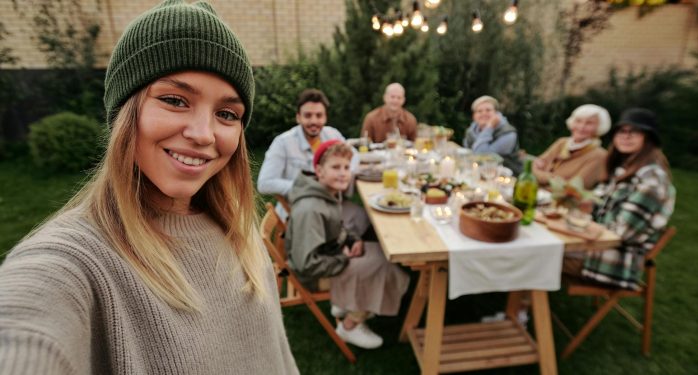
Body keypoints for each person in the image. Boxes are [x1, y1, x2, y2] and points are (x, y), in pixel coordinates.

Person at [0, 1, 298, 373]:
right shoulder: (78, 261)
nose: (204, 134)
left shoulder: (240, 232)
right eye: (175, 100)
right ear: (126, 111)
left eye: (226, 114)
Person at [285, 140, 409, 350]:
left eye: (346, 167)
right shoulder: (310, 209)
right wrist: (344, 258)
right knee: (385, 266)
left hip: (330, 254)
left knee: (382, 253)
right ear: (319, 170)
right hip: (314, 275)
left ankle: (346, 303)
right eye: (335, 167)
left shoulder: (326, 193)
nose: (343, 173)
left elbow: (336, 226)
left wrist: (353, 240)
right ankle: (351, 324)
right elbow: (307, 265)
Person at [563, 108, 675, 290]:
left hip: (611, 261)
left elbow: (622, 233)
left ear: (649, 139)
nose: (626, 136)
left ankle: (519, 312)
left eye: (635, 132)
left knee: (539, 253)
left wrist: (582, 224)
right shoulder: (622, 169)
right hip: (594, 246)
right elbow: (594, 206)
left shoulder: (652, 180)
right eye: (622, 131)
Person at [257, 88, 362, 225]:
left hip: (332, 204)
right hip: (298, 210)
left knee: (365, 219)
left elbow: (354, 156)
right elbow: (264, 183)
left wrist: (344, 175)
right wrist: (311, 186)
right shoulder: (283, 143)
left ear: (325, 117)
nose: (314, 121)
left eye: (319, 115)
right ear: (298, 117)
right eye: (308, 115)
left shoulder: (332, 134)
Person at [533, 104, 611, 189]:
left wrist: (542, 176)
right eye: (578, 121)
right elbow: (532, 167)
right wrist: (553, 179)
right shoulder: (562, 142)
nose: (581, 127)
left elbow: (574, 188)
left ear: (599, 127)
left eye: (589, 123)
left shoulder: (599, 155)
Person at [463, 95, 522, 174]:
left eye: (488, 110)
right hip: (478, 173)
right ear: (474, 116)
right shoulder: (471, 131)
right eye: (479, 111)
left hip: (504, 178)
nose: (484, 113)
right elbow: (467, 154)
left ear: (497, 114)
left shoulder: (508, 133)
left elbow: (482, 155)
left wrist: (489, 127)